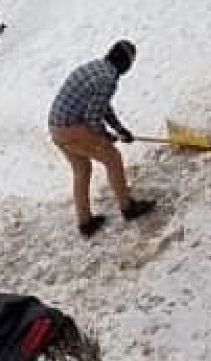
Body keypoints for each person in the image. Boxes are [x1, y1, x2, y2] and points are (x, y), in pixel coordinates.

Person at [48, 40, 156, 237]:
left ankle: (85, 222)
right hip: (72, 128)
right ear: (124, 64)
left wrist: (119, 129)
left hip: (56, 128)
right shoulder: (108, 79)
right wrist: (106, 135)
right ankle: (128, 207)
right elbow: (92, 117)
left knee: (82, 169)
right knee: (112, 158)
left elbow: (101, 106)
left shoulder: (96, 68)